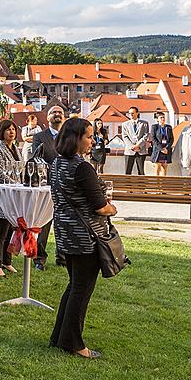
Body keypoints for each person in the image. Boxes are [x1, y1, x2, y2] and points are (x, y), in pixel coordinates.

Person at [49, 118, 118, 359]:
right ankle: (73, 342)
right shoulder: (81, 168)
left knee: (74, 286)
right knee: (81, 289)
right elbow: (100, 206)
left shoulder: (57, 163)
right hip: (86, 237)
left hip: (66, 234)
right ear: (75, 138)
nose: (92, 141)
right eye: (88, 136)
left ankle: (60, 336)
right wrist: (112, 208)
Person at [30, 105, 64, 271]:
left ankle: (63, 257)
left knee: (64, 223)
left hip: (66, 186)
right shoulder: (39, 136)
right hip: (48, 186)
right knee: (44, 224)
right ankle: (39, 259)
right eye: (53, 112)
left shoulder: (68, 136)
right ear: (47, 117)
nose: (57, 114)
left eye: (60, 112)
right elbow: (37, 158)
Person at [0, 120, 19, 277]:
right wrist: (17, 184)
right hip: (2, 194)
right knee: (0, 232)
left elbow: (19, 168)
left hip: (14, 195)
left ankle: (7, 261)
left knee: (10, 231)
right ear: (1, 132)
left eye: (13, 129)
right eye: (8, 129)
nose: (11, 132)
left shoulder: (15, 148)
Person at [121, 106, 149, 175]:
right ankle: (128, 186)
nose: (131, 115)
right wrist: (132, 146)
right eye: (129, 113)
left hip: (141, 150)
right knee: (128, 171)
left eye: (133, 113)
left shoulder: (144, 123)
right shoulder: (125, 124)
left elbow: (145, 136)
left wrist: (138, 146)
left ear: (137, 113)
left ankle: (141, 186)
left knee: (141, 171)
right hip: (129, 151)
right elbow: (125, 136)